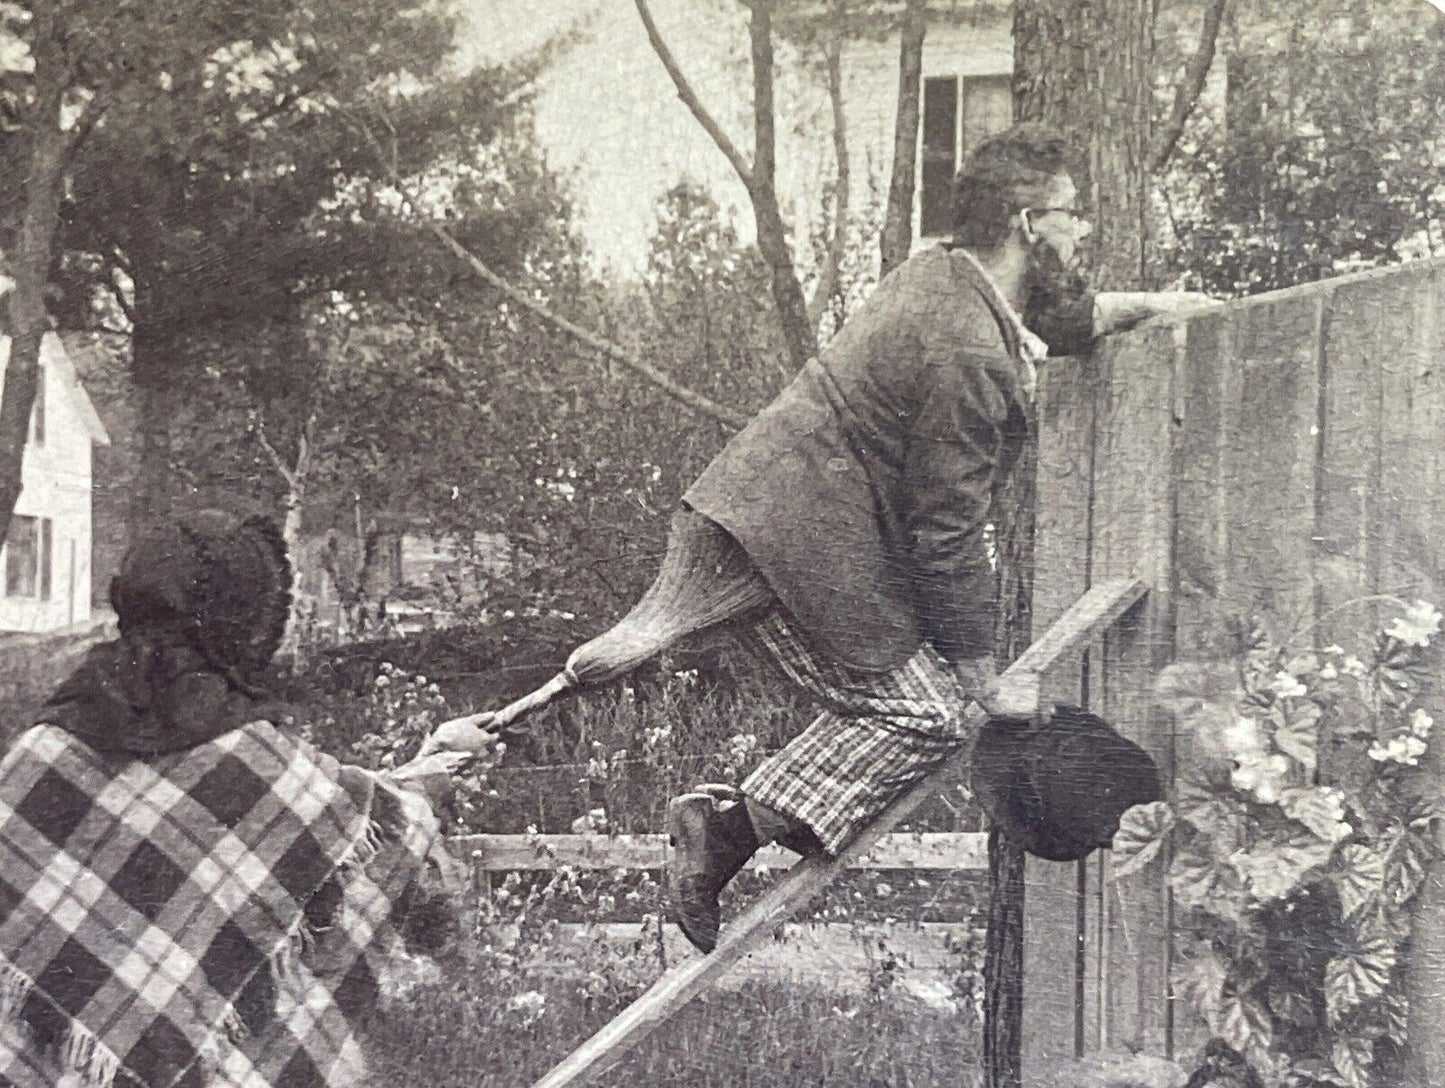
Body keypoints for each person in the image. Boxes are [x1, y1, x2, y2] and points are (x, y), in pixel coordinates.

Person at [434, 124, 1214, 952]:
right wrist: (987, 682)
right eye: (1070, 214)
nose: (1081, 229)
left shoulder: (945, 274)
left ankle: (727, 819)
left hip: (777, 519)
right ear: (1027, 223)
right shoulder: (965, 353)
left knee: (905, 703)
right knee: (929, 716)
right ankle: (725, 827)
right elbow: (946, 534)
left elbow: (1051, 316)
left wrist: (1158, 308)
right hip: (785, 541)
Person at [0, 511, 454, 1088]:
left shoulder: (36, 766)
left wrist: (408, 776)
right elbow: (387, 838)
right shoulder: (280, 776)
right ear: (248, 625)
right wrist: (418, 786)